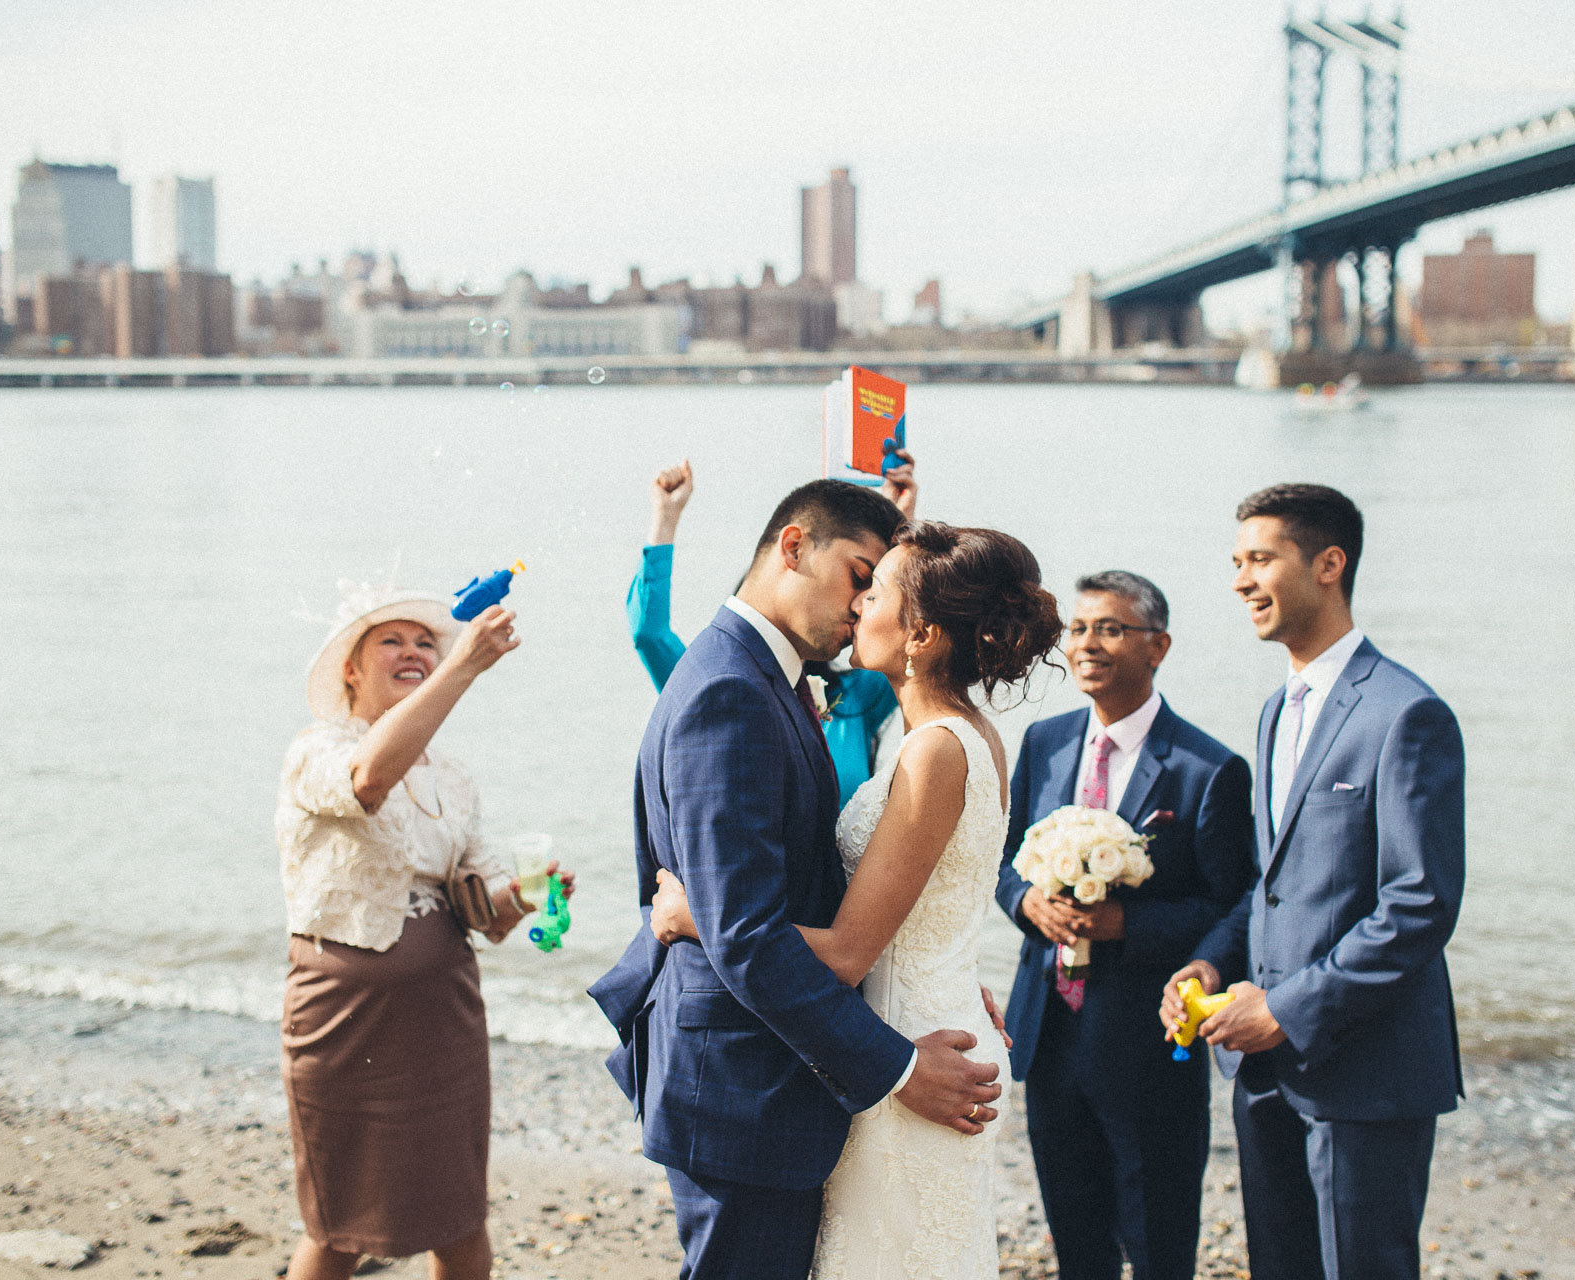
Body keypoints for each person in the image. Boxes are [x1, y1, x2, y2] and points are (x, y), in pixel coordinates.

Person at [587, 483, 1016, 1280]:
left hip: (793, 1071)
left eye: (874, 586)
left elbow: (793, 905)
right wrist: (897, 1064)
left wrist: (931, 973)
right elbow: (748, 935)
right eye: (861, 575)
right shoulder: (731, 690)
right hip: (743, 1087)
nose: (861, 606)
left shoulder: (775, 680)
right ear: (793, 548)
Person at [1161, 484, 1466, 1280]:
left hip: (1366, 1077)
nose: (1239, 581)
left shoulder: (1406, 714)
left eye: (1260, 559)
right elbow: (1272, 881)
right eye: (1236, 562)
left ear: (1329, 564)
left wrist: (1286, 1010)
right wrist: (1211, 963)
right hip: (1267, 1079)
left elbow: (1421, 904)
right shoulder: (1275, 710)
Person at [276, 585, 573, 1280]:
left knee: (459, 1220)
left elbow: (487, 915)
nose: (413, 651)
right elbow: (369, 778)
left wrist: (528, 895)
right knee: (339, 1228)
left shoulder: (455, 778)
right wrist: (459, 668)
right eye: (392, 640)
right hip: (343, 1025)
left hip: (443, 1018)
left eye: (425, 643)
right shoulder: (314, 749)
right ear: (351, 666)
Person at [995, 571, 1256, 1280]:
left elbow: (1236, 905)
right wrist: (1026, 904)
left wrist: (1124, 925)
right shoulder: (1044, 744)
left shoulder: (1208, 769)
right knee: (1074, 1235)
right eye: (1079, 629)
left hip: (1148, 1041)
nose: (1088, 644)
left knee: (1159, 1237)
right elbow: (1004, 863)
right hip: (1049, 1033)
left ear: (1157, 646)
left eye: (1110, 629)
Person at [625, 454, 917, 804]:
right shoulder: (719, 687)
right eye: (857, 579)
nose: (859, 606)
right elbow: (649, 633)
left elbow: (909, 649)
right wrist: (665, 518)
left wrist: (901, 534)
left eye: (869, 592)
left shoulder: (855, 697)